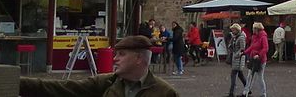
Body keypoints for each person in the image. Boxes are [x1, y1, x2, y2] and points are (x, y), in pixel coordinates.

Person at [19, 34, 179, 96]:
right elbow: (61, 88)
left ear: (138, 58)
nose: (115, 59)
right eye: (115, 54)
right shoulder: (106, 82)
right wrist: (16, 82)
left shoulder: (165, 92)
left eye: (122, 54)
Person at [244, 21, 269, 97]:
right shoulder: (254, 37)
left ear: (257, 29)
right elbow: (252, 47)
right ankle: (246, 91)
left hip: (260, 60)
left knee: (260, 77)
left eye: (253, 28)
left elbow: (265, 48)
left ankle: (263, 93)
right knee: (249, 76)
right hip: (253, 58)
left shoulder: (263, 37)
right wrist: (244, 52)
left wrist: (259, 55)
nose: (252, 30)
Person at [228, 22, 248, 96]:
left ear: (237, 30)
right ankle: (248, 88)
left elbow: (242, 48)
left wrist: (237, 54)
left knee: (233, 75)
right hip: (235, 58)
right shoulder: (235, 37)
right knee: (240, 75)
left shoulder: (241, 37)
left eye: (233, 30)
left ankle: (231, 92)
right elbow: (232, 46)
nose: (232, 31)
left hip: (238, 58)